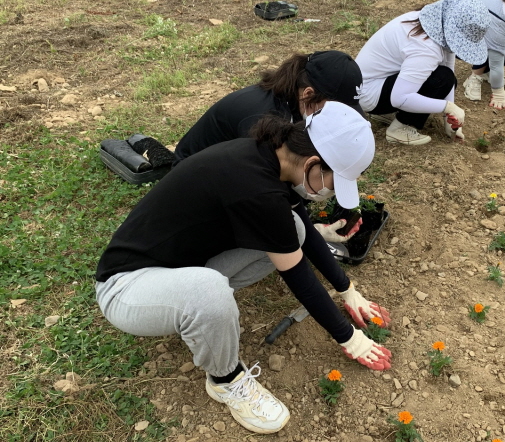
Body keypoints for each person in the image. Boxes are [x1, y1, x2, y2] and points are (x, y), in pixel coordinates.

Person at [95, 102, 392, 435]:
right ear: (313, 163)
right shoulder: (256, 188)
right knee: (209, 292)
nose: (330, 193)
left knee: (291, 226)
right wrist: (350, 339)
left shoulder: (270, 154)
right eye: (334, 184)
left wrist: (347, 290)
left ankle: (201, 310)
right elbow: (300, 279)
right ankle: (224, 379)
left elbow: (301, 231)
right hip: (126, 288)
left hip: (182, 267)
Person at [173, 50, 364, 243]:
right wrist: (310, 233)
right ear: (308, 95)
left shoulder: (295, 103)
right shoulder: (262, 121)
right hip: (197, 191)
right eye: (339, 111)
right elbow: (260, 190)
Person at [355, 0, 490, 145]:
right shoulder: (426, 48)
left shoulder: (434, 22)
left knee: (447, 78)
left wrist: (449, 118)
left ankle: (389, 113)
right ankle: (400, 128)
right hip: (369, 94)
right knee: (441, 79)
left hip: (371, 84)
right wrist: (448, 107)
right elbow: (400, 97)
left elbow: (448, 70)